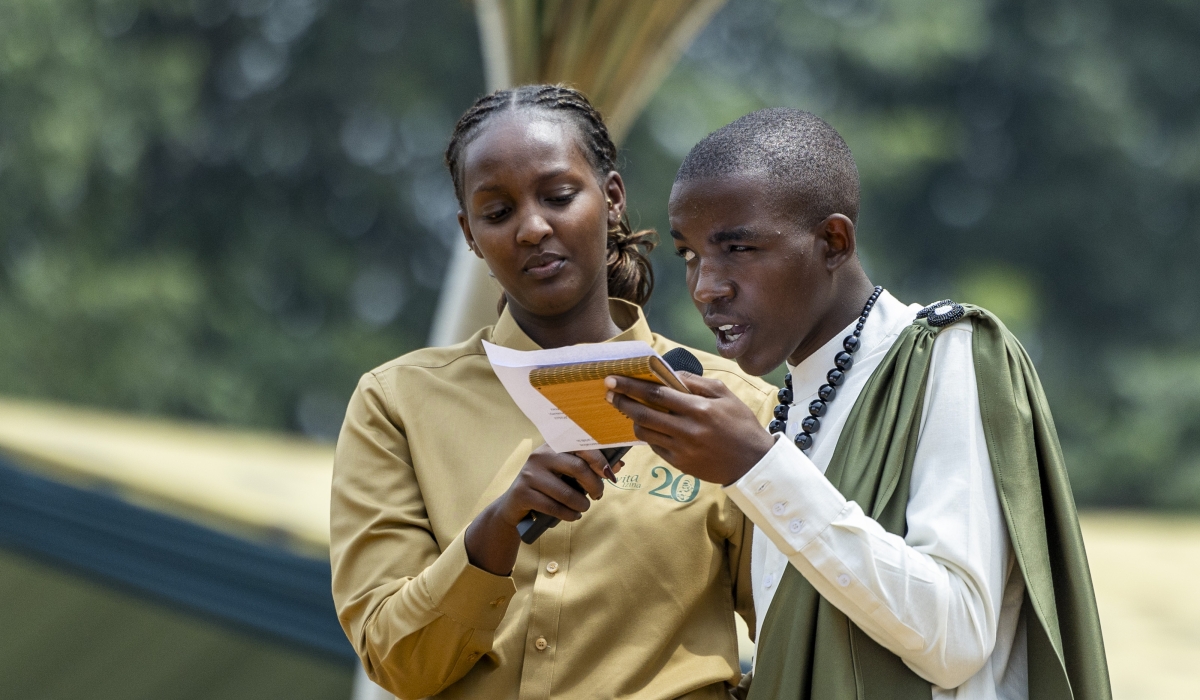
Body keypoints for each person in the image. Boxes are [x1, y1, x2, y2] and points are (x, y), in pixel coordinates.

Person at [605, 108, 1111, 700]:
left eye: (737, 247)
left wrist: (758, 469)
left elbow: (955, 639)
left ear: (833, 242)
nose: (706, 286)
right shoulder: (784, 408)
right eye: (687, 255)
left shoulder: (946, 355)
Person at [329, 85, 777, 700]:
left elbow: (797, 637)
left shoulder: (732, 407)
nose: (533, 227)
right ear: (468, 233)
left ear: (612, 198)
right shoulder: (396, 404)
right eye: (497, 212)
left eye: (559, 196)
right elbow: (396, 662)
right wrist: (495, 530)